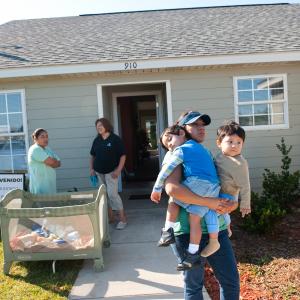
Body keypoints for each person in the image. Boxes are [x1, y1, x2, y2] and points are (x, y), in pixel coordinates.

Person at [163, 111, 240, 300]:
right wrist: (210, 202)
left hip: (217, 231)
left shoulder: (204, 155)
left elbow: (222, 189)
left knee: (230, 282)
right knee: (194, 287)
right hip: (188, 233)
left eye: (202, 125)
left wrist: (230, 205)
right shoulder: (178, 154)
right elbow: (172, 189)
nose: (201, 128)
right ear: (182, 130)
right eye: (194, 125)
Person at [151, 124, 221, 270]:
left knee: (173, 200)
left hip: (198, 183)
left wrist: (157, 189)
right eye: (167, 144)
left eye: (170, 139)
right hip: (213, 188)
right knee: (194, 219)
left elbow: (166, 171)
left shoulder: (181, 150)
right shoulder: (203, 149)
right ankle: (192, 254)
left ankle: (167, 231)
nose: (170, 145)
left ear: (182, 133)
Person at [90, 118, 127, 230]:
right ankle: (111, 218)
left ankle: (122, 219)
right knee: (104, 195)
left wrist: (118, 170)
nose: (98, 127)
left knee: (112, 195)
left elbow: (123, 155)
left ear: (106, 125)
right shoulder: (97, 140)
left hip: (111, 172)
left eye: (101, 125)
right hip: (98, 172)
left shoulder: (115, 139)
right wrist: (91, 169)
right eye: (97, 126)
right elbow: (92, 155)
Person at [215, 121, 251, 237]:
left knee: (221, 213)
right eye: (230, 142)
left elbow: (245, 185)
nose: (234, 145)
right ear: (219, 143)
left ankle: (226, 230)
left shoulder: (240, 163)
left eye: (238, 143)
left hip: (228, 193)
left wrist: (245, 203)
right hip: (216, 191)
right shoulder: (219, 156)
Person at [28, 128, 61, 194]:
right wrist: (52, 161)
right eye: (42, 137)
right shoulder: (35, 149)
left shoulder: (47, 149)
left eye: (46, 136)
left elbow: (59, 163)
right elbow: (52, 162)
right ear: (35, 139)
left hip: (50, 188)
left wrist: (51, 162)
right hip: (39, 190)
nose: (46, 139)